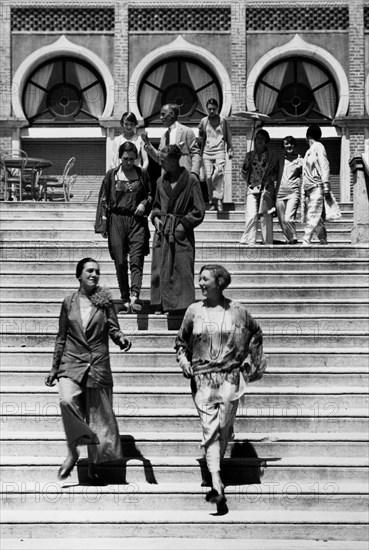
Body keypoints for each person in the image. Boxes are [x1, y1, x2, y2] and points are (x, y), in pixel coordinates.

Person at [175, 264, 266, 512]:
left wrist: (250, 363)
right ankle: (216, 483)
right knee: (210, 429)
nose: (201, 283)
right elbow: (181, 343)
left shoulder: (238, 311)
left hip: (229, 378)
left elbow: (256, 333)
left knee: (223, 428)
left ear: (219, 282)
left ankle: (217, 459)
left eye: (205, 279)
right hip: (202, 379)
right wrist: (184, 363)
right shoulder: (193, 311)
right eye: (199, 279)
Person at [44, 258, 131, 483]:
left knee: (96, 418)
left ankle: (93, 466)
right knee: (66, 400)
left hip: (97, 364)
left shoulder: (104, 301)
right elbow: (61, 337)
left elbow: (113, 328)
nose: (94, 275)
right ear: (79, 275)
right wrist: (54, 368)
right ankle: (73, 452)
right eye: (90, 271)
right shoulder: (68, 302)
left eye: (97, 272)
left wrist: (121, 339)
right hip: (71, 362)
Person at [95, 141, 152, 313]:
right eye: (126, 158)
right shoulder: (111, 175)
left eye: (132, 159)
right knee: (120, 260)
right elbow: (103, 200)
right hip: (117, 220)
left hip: (136, 221)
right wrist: (103, 225)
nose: (129, 162)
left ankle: (135, 295)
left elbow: (150, 195)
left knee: (136, 259)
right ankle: (125, 298)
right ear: (120, 157)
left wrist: (143, 203)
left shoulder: (142, 174)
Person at [150, 145, 205, 314]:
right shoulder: (160, 181)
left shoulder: (191, 180)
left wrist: (183, 226)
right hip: (163, 231)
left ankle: (180, 306)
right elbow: (156, 206)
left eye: (163, 160)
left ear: (174, 160)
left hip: (181, 233)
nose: (161, 163)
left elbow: (199, 210)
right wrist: (156, 218)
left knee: (182, 269)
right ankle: (162, 304)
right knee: (160, 269)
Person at [239, 129, 279, 245]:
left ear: (266, 140)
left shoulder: (272, 156)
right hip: (252, 188)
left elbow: (276, 173)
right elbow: (243, 174)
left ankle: (267, 241)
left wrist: (272, 178)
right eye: (257, 138)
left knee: (265, 216)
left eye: (262, 138)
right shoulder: (250, 155)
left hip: (266, 189)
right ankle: (250, 240)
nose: (259, 140)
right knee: (251, 215)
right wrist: (245, 167)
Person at [141, 104, 201, 178]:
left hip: (184, 176)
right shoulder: (164, 136)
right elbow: (159, 158)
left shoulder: (187, 131)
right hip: (167, 178)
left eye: (163, 114)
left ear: (172, 114)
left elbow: (195, 153)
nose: (161, 118)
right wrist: (147, 143)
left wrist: (194, 173)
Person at [198, 98, 233, 212]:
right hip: (207, 151)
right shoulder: (204, 121)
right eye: (209, 109)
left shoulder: (223, 120)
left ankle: (218, 199)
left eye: (213, 109)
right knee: (208, 177)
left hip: (219, 150)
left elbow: (228, 135)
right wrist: (200, 132)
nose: (211, 111)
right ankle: (213, 202)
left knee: (218, 173)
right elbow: (201, 137)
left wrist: (230, 149)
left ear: (217, 108)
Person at [301, 125, 330, 246]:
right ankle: (323, 240)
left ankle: (306, 240)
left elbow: (324, 165)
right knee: (315, 217)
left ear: (307, 136)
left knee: (314, 214)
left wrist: (326, 185)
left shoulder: (319, 146)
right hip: (308, 189)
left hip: (317, 187)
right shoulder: (308, 151)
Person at [275, 136, 303, 244]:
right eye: (286, 144)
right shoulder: (279, 159)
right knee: (282, 221)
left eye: (291, 144)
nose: (289, 146)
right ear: (283, 146)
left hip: (293, 193)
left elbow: (306, 175)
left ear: (294, 145)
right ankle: (289, 239)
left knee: (288, 218)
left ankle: (293, 237)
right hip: (279, 194)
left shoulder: (300, 160)